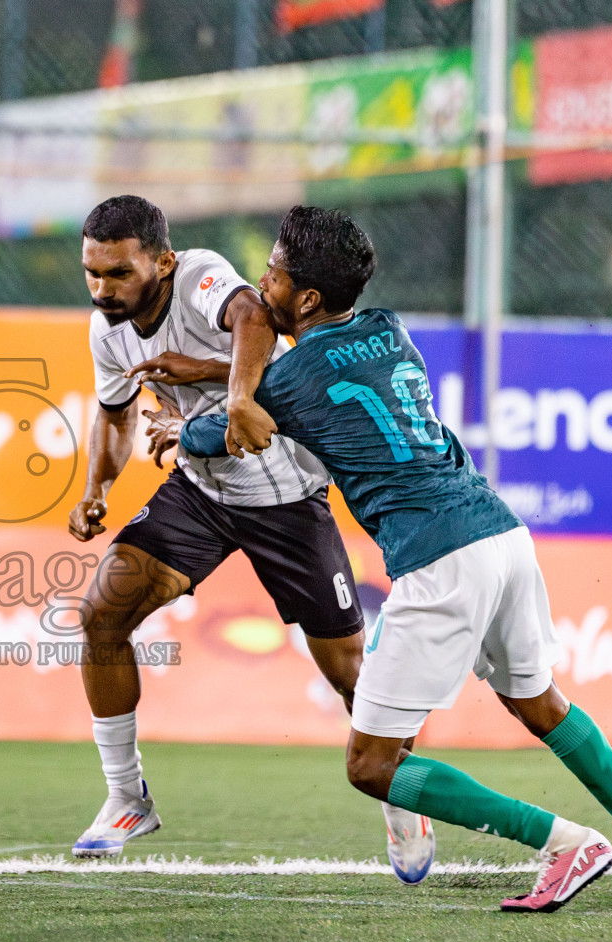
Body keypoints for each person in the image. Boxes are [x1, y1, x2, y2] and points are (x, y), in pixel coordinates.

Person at [179, 206, 612, 911]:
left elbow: (211, 439)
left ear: (304, 299)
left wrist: (187, 421)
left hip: (438, 556)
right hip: (500, 533)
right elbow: (299, 387)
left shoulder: (291, 383)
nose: (259, 286)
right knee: (539, 702)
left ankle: (565, 843)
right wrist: (240, 388)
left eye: (270, 273)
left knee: (371, 765)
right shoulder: (389, 329)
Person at [68, 195, 434, 880]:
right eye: (92, 273)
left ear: (162, 261)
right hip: (201, 493)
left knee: (353, 676)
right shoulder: (105, 333)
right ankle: (126, 797)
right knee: (101, 615)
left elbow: (252, 321)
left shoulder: (203, 275)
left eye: (117, 273)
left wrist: (232, 396)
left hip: (288, 498)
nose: (102, 289)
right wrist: (96, 489)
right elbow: (114, 414)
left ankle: (400, 794)